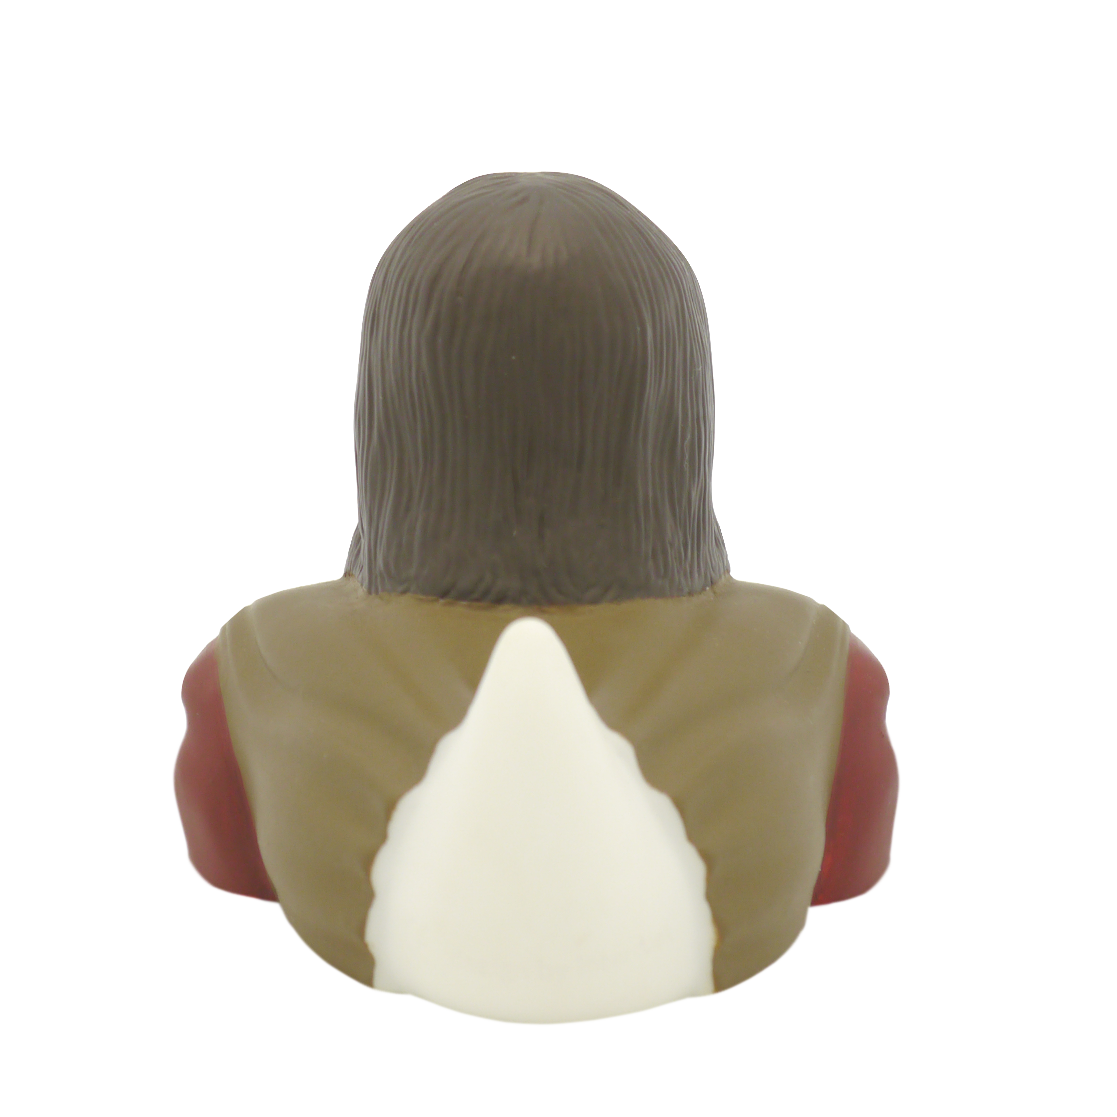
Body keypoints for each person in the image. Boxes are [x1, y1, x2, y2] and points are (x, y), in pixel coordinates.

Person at [173, 172, 900, 1023]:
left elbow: (226, 866)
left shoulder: (244, 668)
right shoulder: (826, 668)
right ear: (679, 398)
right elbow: (850, 873)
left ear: (388, 399)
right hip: (719, 962)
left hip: (361, 957)